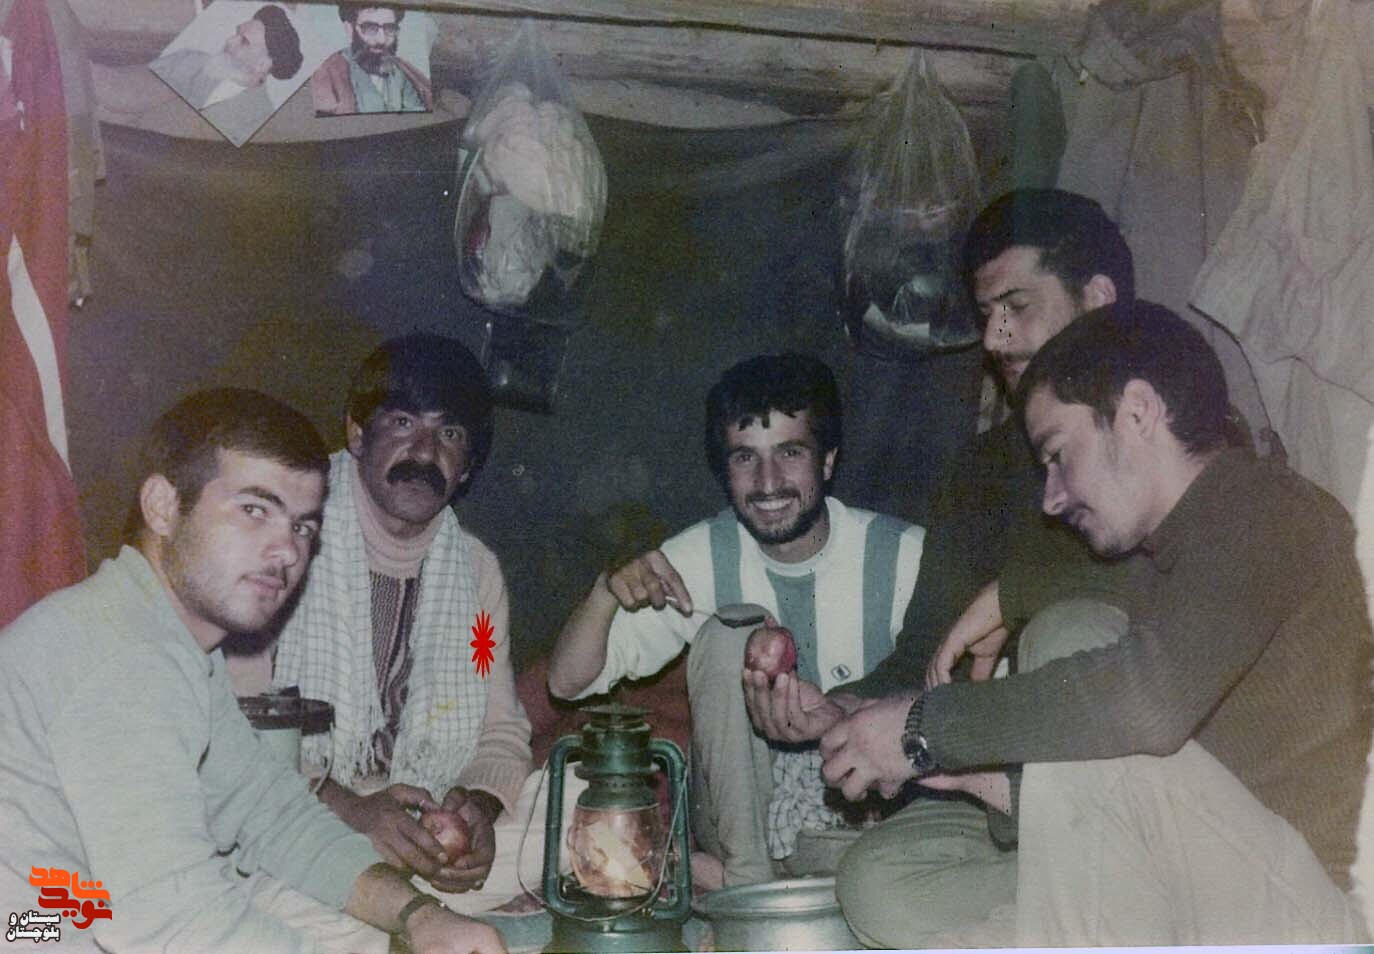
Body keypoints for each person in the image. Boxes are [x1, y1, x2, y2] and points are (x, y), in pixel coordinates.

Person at [820, 303, 1374, 947]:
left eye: (1058, 455)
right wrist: (979, 777)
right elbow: (1154, 784)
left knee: (1075, 659)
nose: (1051, 496)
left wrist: (924, 730)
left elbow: (1142, 707)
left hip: (1300, 915)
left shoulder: (1263, 508)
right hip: (1191, 882)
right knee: (893, 895)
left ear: (1138, 412)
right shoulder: (1176, 552)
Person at [0, 388, 505, 954]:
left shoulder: (174, 644)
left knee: (345, 921)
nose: (286, 551)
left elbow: (273, 813)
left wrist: (419, 917)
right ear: (162, 506)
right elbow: (166, 920)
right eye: (255, 510)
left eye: (303, 527)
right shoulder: (124, 658)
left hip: (75, 909)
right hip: (27, 929)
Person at [548, 352, 926, 888]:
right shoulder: (701, 556)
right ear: (725, 470)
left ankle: (737, 880)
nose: (768, 482)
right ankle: (749, 889)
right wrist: (606, 590)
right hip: (744, 823)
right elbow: (566, 682)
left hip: (870, 813)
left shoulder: (903, 555)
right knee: (735, 627)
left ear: (827, 461)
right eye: (746, 458)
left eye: (790, 453)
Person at [228, 334, 556, 916]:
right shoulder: (290, 538)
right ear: (358, 433)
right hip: (303, 811)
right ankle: (389, 909)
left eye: (450, 434)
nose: (424, 452)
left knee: (571, 808)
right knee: (263, 868)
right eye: (403, 422)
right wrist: (351, 810)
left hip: (420, 825)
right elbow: (236, 727)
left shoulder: (476, 577)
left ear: (468, 468)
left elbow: (500, 728)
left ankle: (391, 906)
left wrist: (478, 810)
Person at [149, 5, 303, 147]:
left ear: (262, 65)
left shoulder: (261, 121)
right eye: (237, 33)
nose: (229, 41)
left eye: (244, 41)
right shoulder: (190, 58)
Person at [312, 3, 433, 115]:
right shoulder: (327, 76)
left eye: (389, 28)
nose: (381, 40)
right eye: (370, 28)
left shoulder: (402, 72)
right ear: (349, 28)